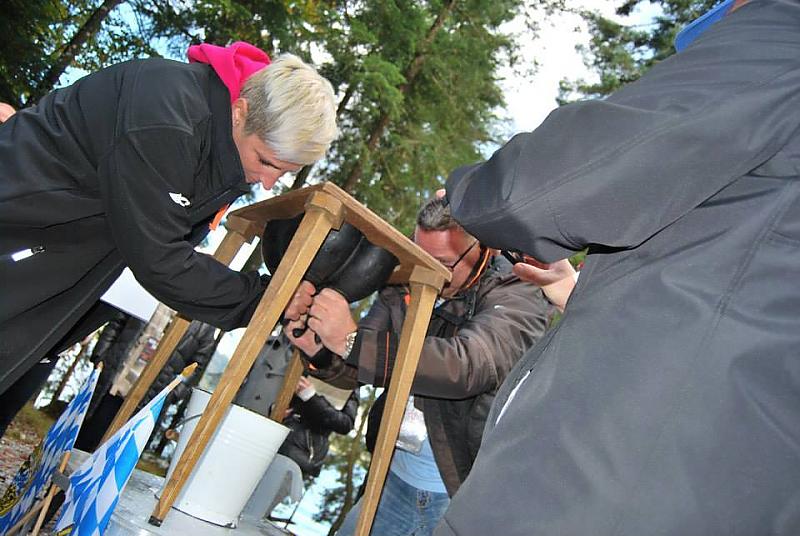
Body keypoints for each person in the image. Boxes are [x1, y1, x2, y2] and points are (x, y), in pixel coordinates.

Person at [436, 1, 800, 534]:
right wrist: (578, 290)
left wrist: (466, 192)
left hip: (605, 477)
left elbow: (547, 187)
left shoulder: (785, 32)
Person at [0, 42, 338, 398]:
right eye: (266, 162)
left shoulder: (221, 142)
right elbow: (161, 258)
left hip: (42, 266)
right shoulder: (167, 120)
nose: (268, 183)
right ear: (240, 111)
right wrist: (266, 298)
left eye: (283, 173)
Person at [285, 197, 555, 535]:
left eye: (443, 263)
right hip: (391, 478)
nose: (428, 270)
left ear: (481, 248)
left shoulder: (517, 289)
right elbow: (360, 365)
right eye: (419, 255)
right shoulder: (403, 284)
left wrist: (352, 342)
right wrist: (321, 350)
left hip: (460, 492)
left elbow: (467, 366)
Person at [277, 375, 358, 480]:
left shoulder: (350, 382)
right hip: (270, 426)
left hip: (296, 451)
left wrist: (311, 397)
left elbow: (345, 424)